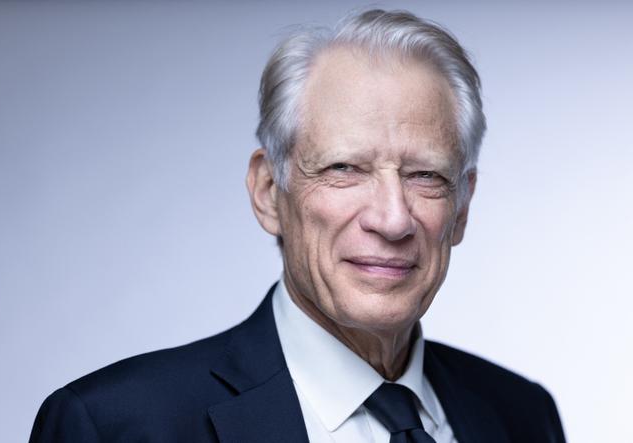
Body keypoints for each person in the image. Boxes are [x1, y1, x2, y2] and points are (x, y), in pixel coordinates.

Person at [30, 9, 566, 443]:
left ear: (462, 208)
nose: (392, 219)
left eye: (425, 175)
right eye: (344, 169)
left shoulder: (522, 415)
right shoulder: (115, 426)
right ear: (269, 192)